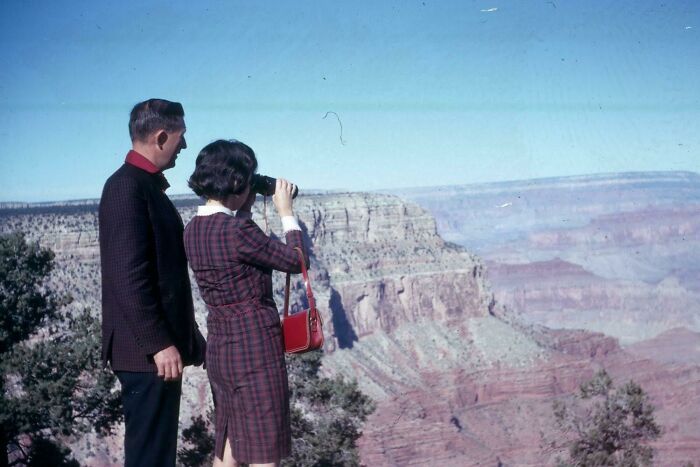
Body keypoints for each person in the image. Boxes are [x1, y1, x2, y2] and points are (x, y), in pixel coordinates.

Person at [183, 139, 308, 467]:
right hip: (255, 349)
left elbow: (235, 253)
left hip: (221, 349)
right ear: (237, 181)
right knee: (263, 450)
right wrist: (287, 213)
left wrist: (246, 206)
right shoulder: (239, 231)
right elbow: (297, 261)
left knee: (228, 440)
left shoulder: (193, 229)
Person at [99, 98, 206, 467]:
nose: (185, 146)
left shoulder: (143, 186)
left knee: (157, 455)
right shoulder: (126, 188)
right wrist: (160, 343)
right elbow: (128, 275)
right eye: (181, 137)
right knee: (150, 457)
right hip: (146, 354)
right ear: (161, 136)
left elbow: (164, 275)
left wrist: (189, 336)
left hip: (153, 352)